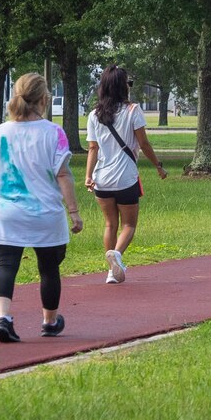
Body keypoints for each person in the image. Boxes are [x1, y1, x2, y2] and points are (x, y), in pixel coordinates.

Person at [0, 72, 84, 342]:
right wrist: (73, 212)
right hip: (44, 214)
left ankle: (3, 317)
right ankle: (49, 322)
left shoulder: (2, 131)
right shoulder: (54, 133)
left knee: (6, 265)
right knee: (49, 269)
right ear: (44, 99)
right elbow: (63, 175)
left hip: (6, 212)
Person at [84, 66, 167, 284]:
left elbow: (93, 148)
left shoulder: (94, 115)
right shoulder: (133, 111)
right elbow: (144, 143)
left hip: (101, 178)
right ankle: (117, 256)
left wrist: (88, 176)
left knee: (110, 224)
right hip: (125, 178)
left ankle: (111, 272)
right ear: (123, 87)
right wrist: (158, 165)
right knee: (129, 225)